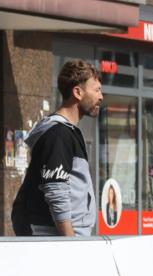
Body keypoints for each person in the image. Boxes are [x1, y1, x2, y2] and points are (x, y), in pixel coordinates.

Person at [11, 59, 103, 236]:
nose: (101, 96)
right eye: (97, 90)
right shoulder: (58, 134)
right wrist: (69, 242)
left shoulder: (66, 132)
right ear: (78, 92)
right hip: (53, 237)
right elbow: (56, 190)